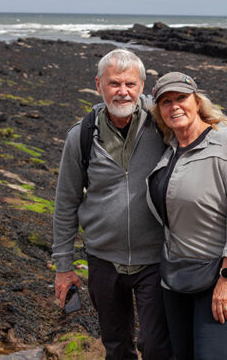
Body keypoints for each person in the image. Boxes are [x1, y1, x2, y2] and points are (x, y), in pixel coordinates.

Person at [52, 49, 172, 360]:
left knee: (158, 347)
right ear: (98, 85)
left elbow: (204, 139)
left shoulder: (163, 127)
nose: (122, 91)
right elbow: (66, 202)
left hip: (156, 260)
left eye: (130, 84)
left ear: (142, 85)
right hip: (103, 260)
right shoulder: (81, 135)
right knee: (117, 348)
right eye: (114, 83)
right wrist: (64, 268)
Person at [147, 72, 227, 359]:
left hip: (223, 273)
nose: (175, 106)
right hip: (179, 274)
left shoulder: (226, 144)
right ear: (159, 111)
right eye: (166, 101)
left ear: (197, 102)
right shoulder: (169, 150)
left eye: (181, 98)